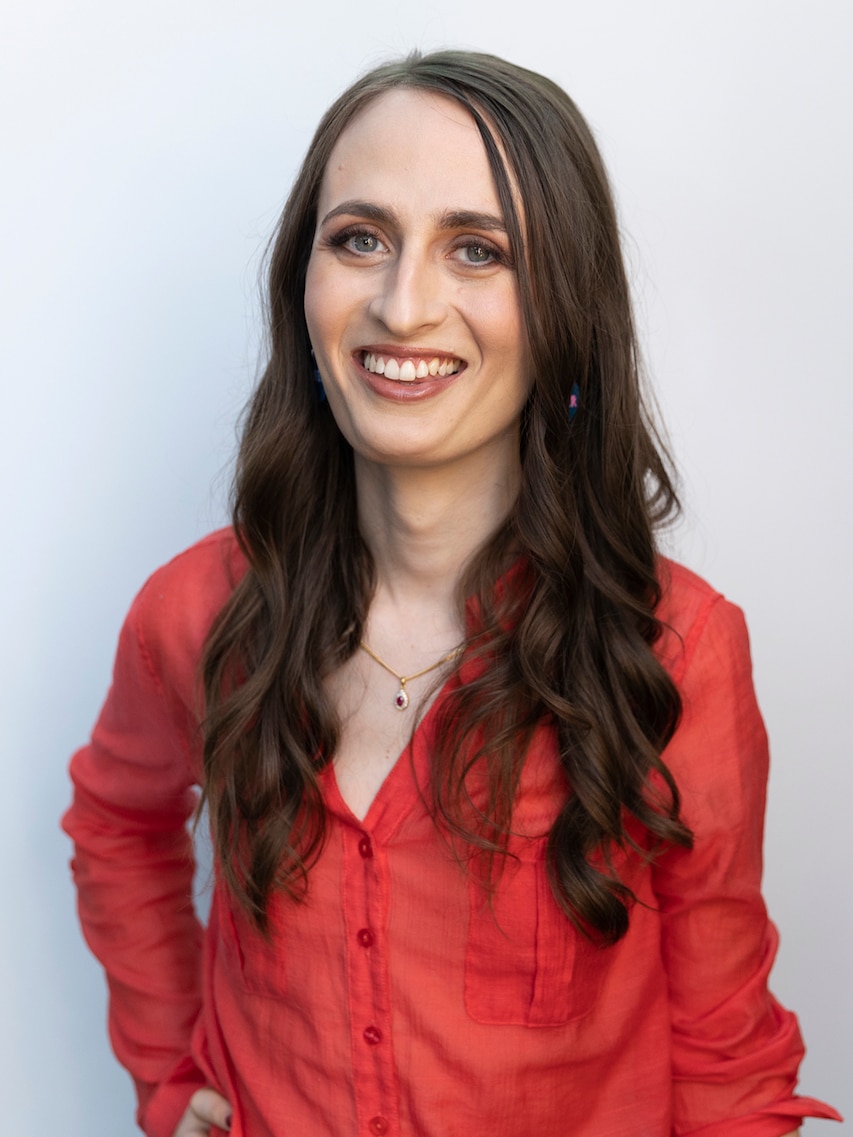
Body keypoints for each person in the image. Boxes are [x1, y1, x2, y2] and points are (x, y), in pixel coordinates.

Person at [63, 50, 841, 1137]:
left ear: (562, 302)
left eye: (477, 250)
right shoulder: (192, 612)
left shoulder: (678, 650)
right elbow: (116, 822)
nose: (403, 302)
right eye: (359, 239)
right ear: (304, 280)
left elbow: (725, 1058)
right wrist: (166, 1069)